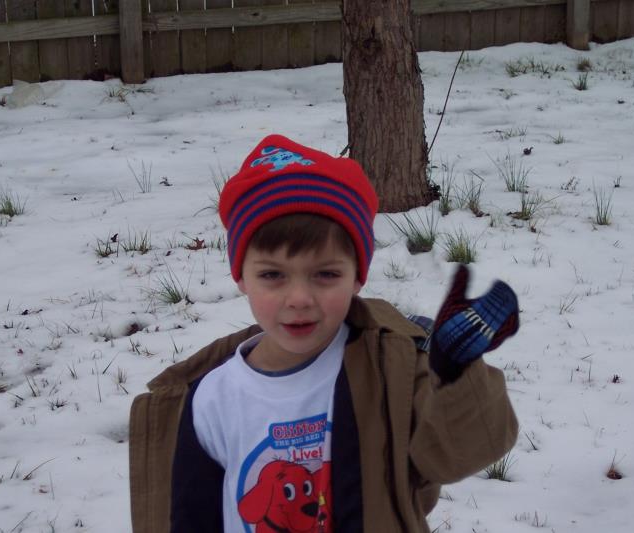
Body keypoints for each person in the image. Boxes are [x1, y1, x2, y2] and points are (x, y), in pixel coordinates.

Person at [128, 135, 520, 533]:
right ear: (241, 277)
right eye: (272, 275)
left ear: (357, 278)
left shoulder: (393, 370)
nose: (299, 298)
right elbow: (191, 514)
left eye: (326, 274)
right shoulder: (211, 398)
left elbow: (458, 454)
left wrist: (456, 372)